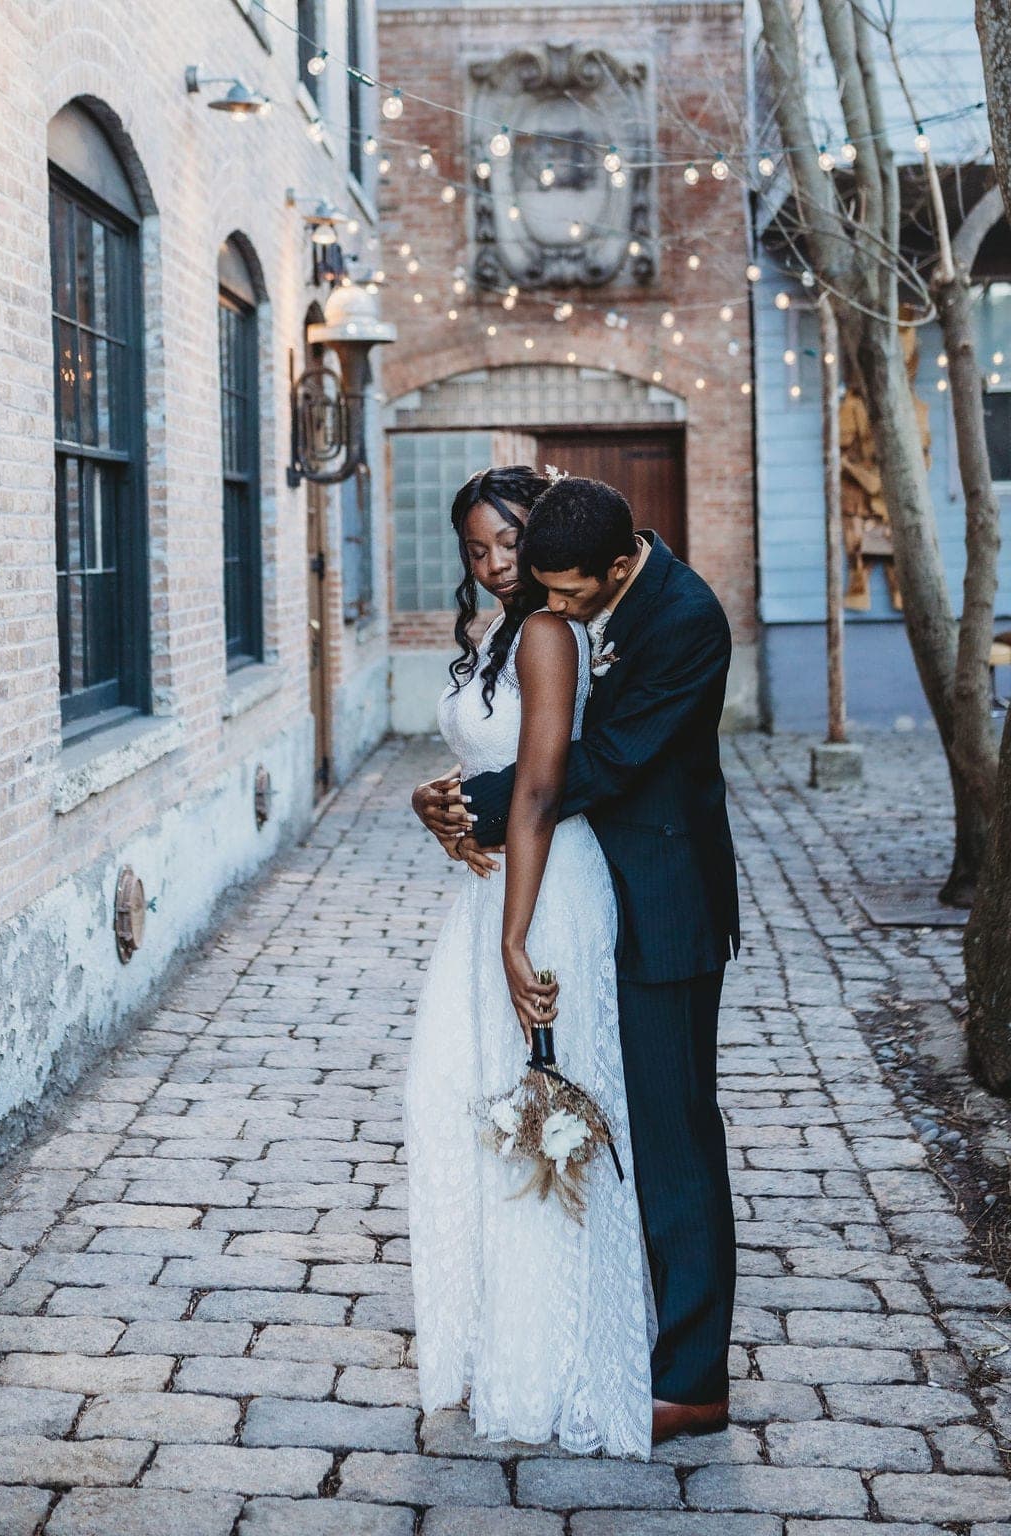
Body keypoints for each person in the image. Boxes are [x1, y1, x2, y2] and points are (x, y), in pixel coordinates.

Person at [423, 475, 740, 1443]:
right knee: (625, 1123)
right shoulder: (588, 583)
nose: (548, 610)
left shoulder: (686, 621)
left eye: (566, 595)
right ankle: (619, 1334)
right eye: (541, 591)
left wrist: (474, 799)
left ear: (613, 567)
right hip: (599, 892)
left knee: (675, 1136)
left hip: (666, 904)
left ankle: (693, 1379)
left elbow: (596, 761)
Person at [404, 465, 652, 1459]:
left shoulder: (548, 634)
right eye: (476, 548)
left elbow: (543, 791)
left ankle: (546, 1365)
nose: (496, 564)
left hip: (544, 895)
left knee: (537, 1125)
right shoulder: (488, 640)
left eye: (509, 543)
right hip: (485, 893)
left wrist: (516, 939)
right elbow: (484, 779)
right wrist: (439, 814)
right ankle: (485, 1344)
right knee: (459, 1105)